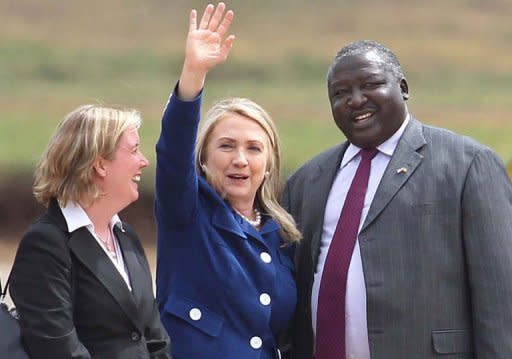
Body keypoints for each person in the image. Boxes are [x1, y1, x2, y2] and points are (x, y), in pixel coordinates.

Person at [282, 40, 512, 358]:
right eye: (340, 93)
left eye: (371, 84)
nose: (355, 100)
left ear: (402, 87)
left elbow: (500, 300)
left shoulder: (467, 164)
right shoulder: (306, 181)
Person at [154, 3, 301, 358]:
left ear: (268, 164)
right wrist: (193, 74)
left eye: (254, 148)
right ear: (203, 159)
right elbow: (173, 154)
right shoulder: (186, 213)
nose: (240, 159)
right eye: (226, 146)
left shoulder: (280, 235)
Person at [9, 104, 171, 359]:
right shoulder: (45, 243)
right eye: (134, 150)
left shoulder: (126, 235)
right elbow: (58, 349)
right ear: (100, 165)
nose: (144, 161)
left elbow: (155, 339)